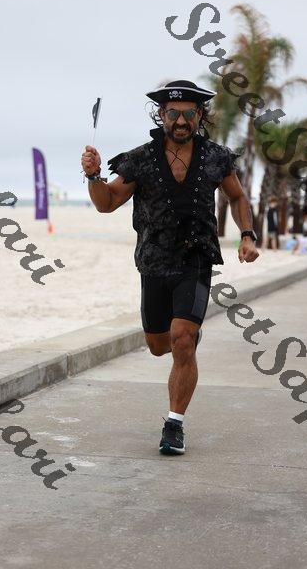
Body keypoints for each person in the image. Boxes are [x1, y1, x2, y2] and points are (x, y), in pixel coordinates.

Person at [80, 79, 259, 455]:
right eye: (173, 113)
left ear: (200, 115)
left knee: (182, 340)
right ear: (161, 114)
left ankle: (174, 425)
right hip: (153, 263)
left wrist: (247, 235)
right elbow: (106, 203)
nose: (180, 120)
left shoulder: (216, 157)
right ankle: (185, 338)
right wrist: (94, 176)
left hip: (196, 261)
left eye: (189, 113)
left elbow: (238, 196)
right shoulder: (141, 158)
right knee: (159, 345)